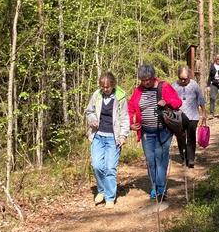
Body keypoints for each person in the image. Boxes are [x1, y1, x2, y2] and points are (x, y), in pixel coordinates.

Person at [128, 64, 182, 201]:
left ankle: (161, 189)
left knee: (161, 159)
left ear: (153, 77)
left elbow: (178, 102)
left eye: (148, 79)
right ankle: (154, 187)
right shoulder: (138, 91)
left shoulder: (164, 86)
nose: (146, 82)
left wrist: (167, 101)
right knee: (150, 161)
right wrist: (130, 124)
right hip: (146, 132)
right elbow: (130, 108)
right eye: (143, 80)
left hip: (164, 131)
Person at [85, 71, 130, 208]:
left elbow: (125, 117)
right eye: (103, 87)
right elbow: (89, 111)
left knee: (110, 168)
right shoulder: (96, 95)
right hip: (97, 136)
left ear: (113, 85)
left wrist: (123, 135)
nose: (105, 89)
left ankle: (110, 197)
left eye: (107, 87)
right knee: (97, 165)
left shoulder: (120, 97)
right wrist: (92, 120)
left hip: (113, 138)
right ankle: (102, 190)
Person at [173, 66, 207, 168]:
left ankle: (191, 159)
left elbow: (200, 99)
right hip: (179, 116)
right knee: (181, 137)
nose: (183, 81)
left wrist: (204, 113)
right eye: (181, 79)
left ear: (189, 77)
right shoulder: (174, 86)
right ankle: (183, 157)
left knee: (191, 137)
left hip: (193, 116)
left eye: (185, 79)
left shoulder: (194, 85)